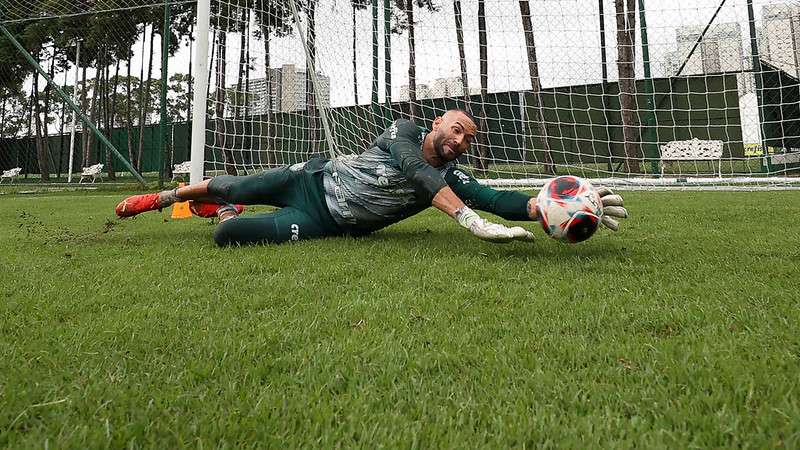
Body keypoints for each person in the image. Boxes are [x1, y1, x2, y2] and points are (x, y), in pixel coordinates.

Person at [115, 109, 627, 246]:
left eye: (468, 139)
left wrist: (545, 207)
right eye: (456, 130)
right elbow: (417, 175)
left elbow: (495, 197)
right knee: (230, 184)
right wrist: (469, 222)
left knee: (228, 232)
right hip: (311, 179)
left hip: (327, 222)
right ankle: (163, 197)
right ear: (436, 124)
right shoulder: (402, 133)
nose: (460, 141)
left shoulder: (452, 174)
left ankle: (225, 213)